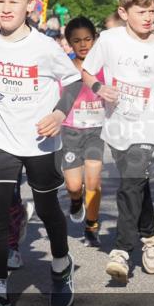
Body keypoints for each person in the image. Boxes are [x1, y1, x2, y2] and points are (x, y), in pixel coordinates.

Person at [0, 0, 82, 306]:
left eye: (13, 2)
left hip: (40, 141)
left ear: (30, 5)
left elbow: (74, 81)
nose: (5, 8)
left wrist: (60, 114)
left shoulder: (45, 47)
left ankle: (62, 265)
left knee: (48, 210)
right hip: (3, 139)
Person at [81, 0, 154, 284]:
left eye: (152, 11)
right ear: (124, 12)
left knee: (131, 183)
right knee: (136, 183)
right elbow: (87, 71)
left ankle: (122, 251)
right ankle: (150, 237)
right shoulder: (110, 40)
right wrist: (100, 87)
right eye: (141, 11)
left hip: (150, 124)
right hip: (117, 124)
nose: (148, 17)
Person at [61, 17, 106, 247]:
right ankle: (76, 201)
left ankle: (92, 224)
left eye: (88, 39)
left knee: (93, 179)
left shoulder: (103, 67)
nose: (83, 44)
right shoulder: (65, 67)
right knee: (73, 185)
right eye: (77, 40)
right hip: (69, 131)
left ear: (95, 39)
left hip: (96, 131)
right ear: (69, 43)